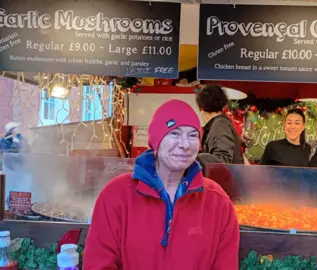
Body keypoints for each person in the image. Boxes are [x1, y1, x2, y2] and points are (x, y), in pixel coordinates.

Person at [83, 99, 239, 270]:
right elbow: (98, 264)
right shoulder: (116, 195)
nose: (185, 144)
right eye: (175, 133)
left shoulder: (218, 202)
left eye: (193, 135)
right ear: (156, 141)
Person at [196, 84, 244, 166]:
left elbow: (222, 160)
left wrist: (195, 158)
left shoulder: (220, 125)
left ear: (200, 107)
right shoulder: (219, 123)